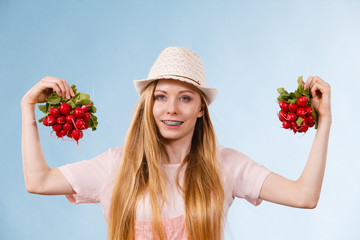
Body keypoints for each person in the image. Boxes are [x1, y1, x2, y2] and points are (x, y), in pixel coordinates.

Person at [21, 47, 332, 240]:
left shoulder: (226, 165)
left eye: (185, 98)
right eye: (161, 97)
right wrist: (27, 109)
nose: (171, 109)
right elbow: (38, 181)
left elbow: (304, 196)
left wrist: (324, 122)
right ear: (149, 105)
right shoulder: (116, 166)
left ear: (200, 109)